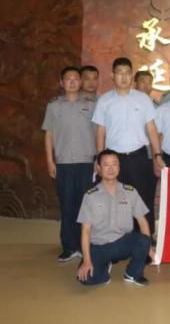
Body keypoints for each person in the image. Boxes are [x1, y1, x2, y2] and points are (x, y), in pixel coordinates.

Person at [92, 57, 163, 235]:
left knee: (143, 201)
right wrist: (99, 159)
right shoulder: (104, 101)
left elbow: (151, 128)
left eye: (127, 73)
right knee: (116, 202)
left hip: (139, 158)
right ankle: (120, 240)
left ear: (132, 76)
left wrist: (157, 155)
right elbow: (100, 131)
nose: (123, 77)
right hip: (114, 161)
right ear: (112, 76)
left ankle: (145, 242)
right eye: (119, 73)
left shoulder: (142, 99)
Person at [76, 150, 155, 286]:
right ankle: (103, 268)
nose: (111, 168)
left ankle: (133, 273)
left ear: (119, 167)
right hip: (99, 246)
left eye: (114, 164)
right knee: (87, 279)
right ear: (99, 168)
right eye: (106, 165)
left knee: (143, 240)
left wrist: (148, 248)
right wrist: (87, 261)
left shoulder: (130, 192)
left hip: (123, 242)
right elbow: (86, 231)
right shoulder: (90, 196)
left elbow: (142, 221)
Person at [42, 66, 96, 263]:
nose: (72, 82)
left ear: (80, 82)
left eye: (75, 78)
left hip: (86, 163)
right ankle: (69, 247)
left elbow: (98, 132)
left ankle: (85, 246)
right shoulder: (54, 106)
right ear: (61, 82)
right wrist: (50, 161)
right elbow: (48, 134)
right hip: (64, 163)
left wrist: (98, 159)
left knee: (86, 206)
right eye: (68, 79)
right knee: (67, 205)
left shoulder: (91, 105)